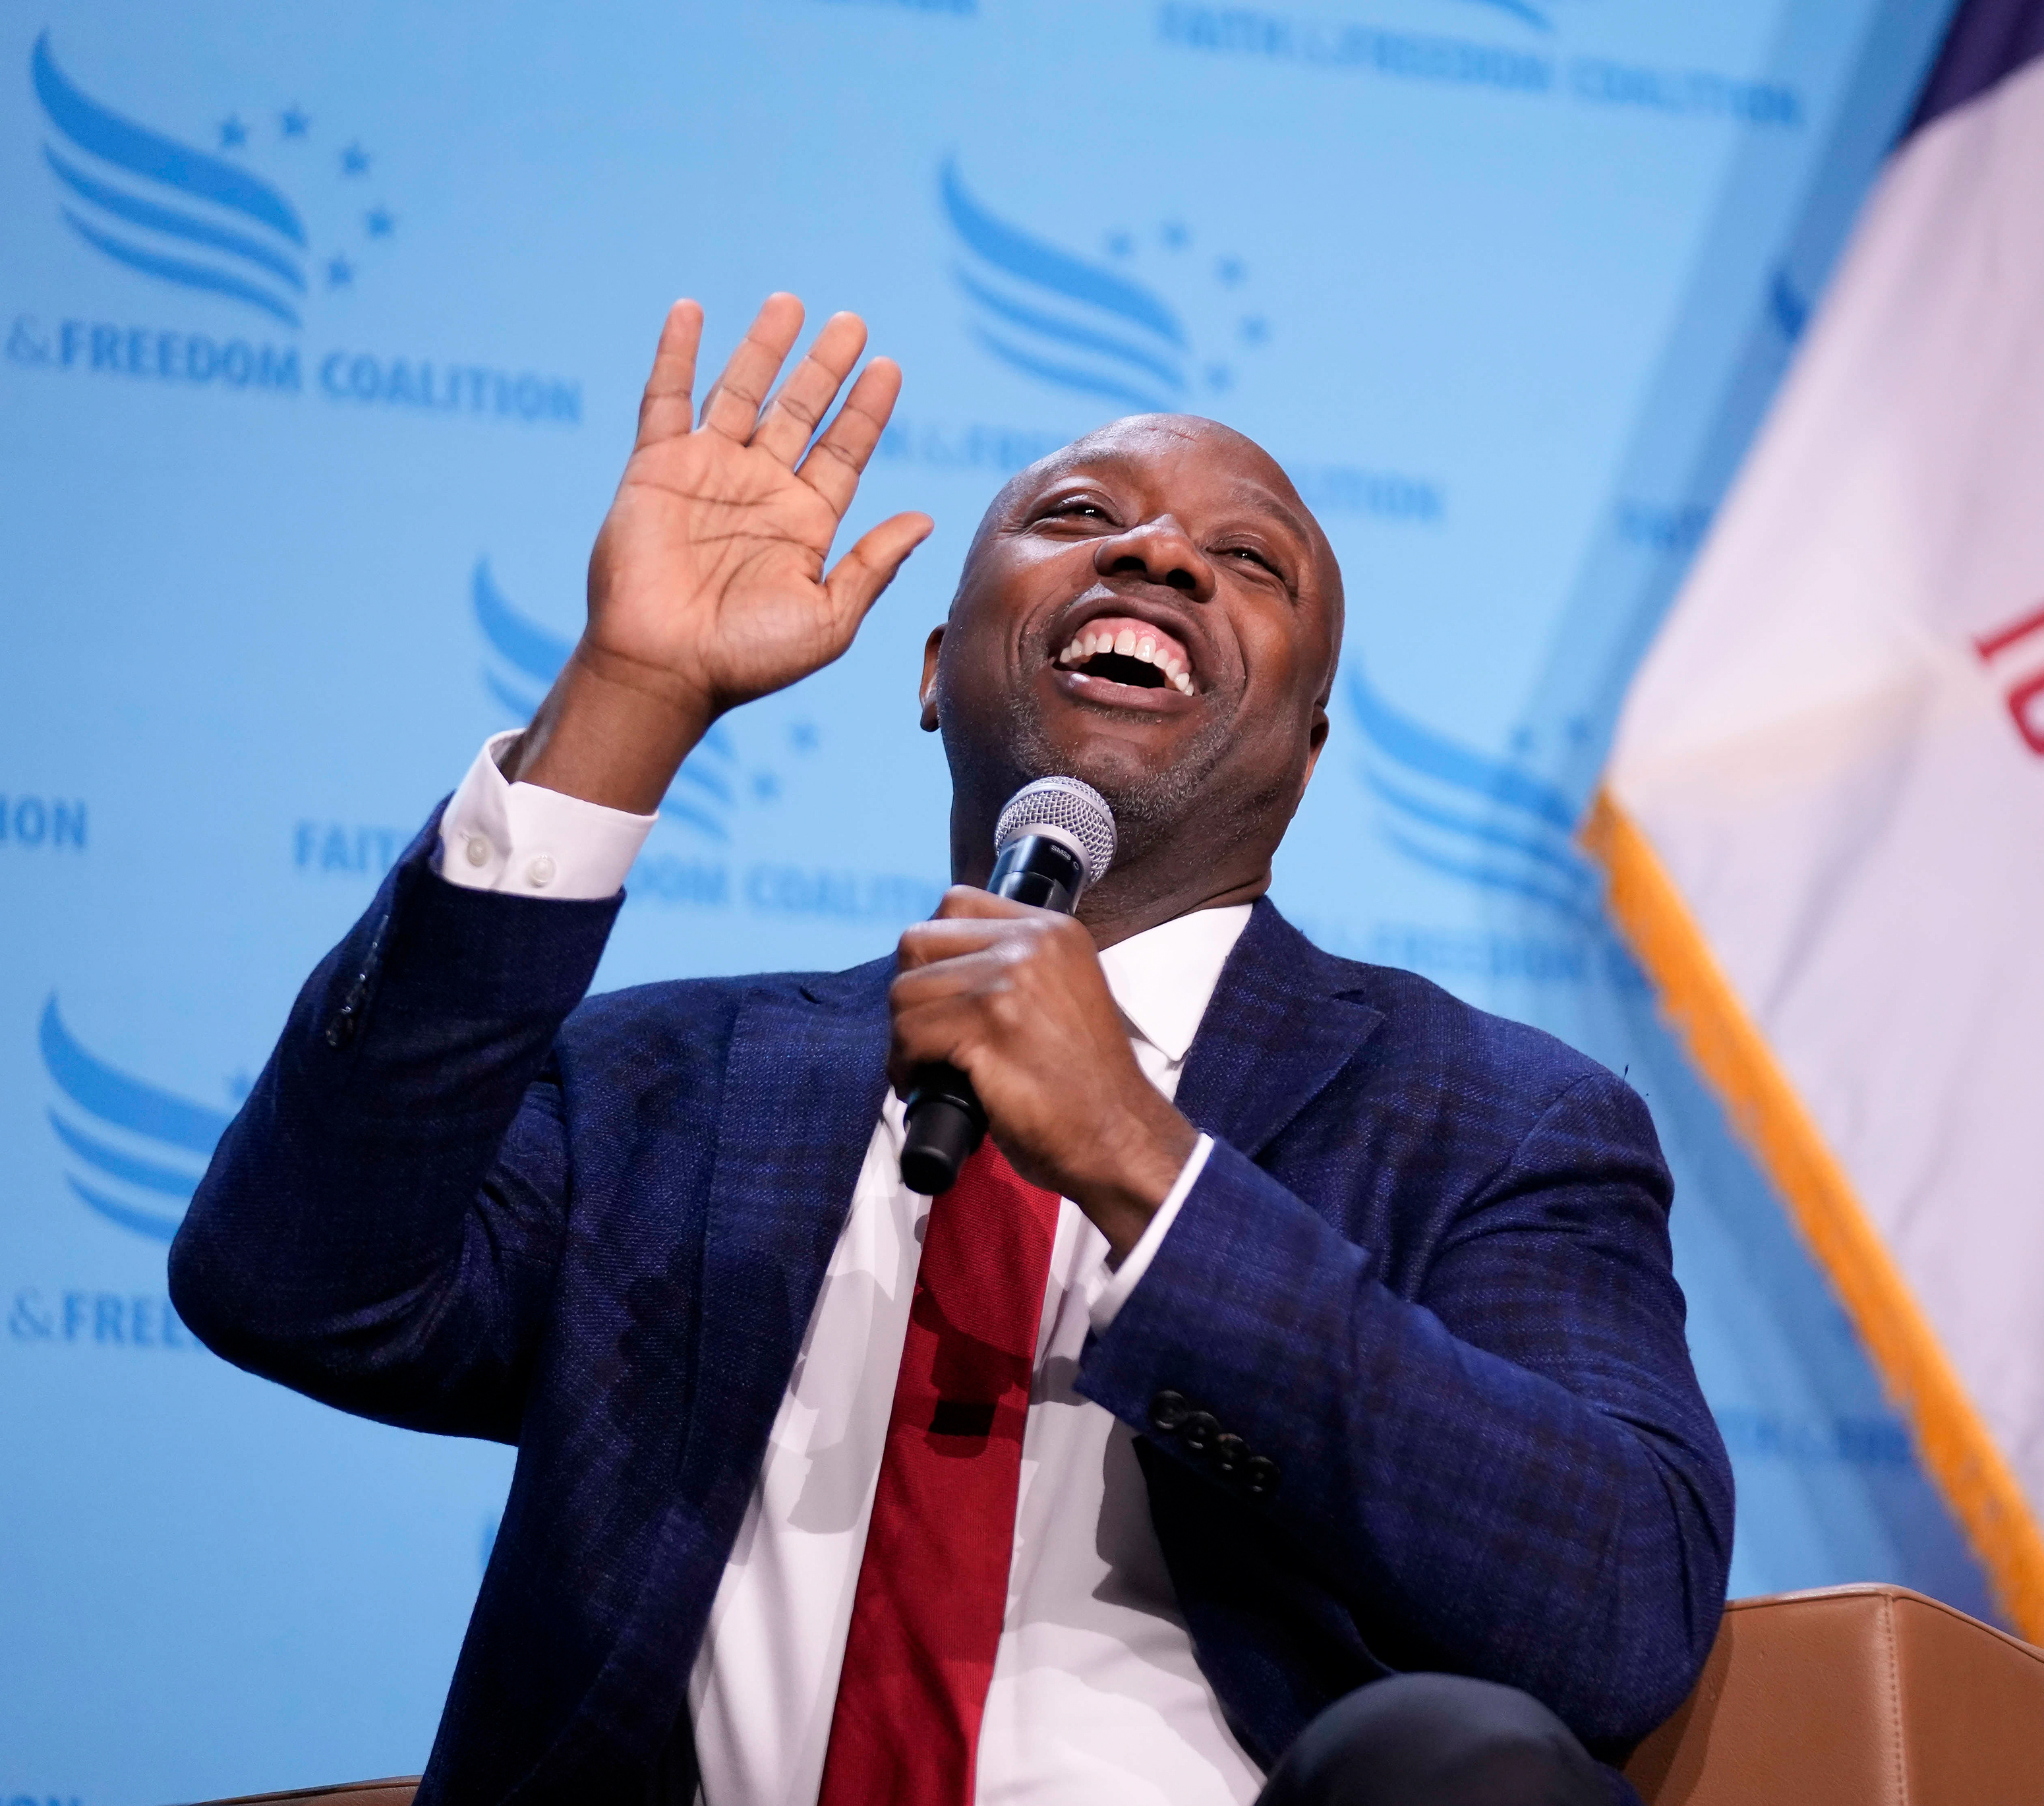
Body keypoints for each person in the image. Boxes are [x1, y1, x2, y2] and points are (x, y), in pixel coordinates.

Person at [170, 295, 1734, 1806]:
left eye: (1247, 559)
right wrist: (627, 698)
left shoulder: (1497, 1121)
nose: (1159, 550)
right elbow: (298, 1283)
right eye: (1073, 517)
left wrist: (1150, 1172)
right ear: (932, 671)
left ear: (1307, 752)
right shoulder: (671, 1086)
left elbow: (1615, 1609)